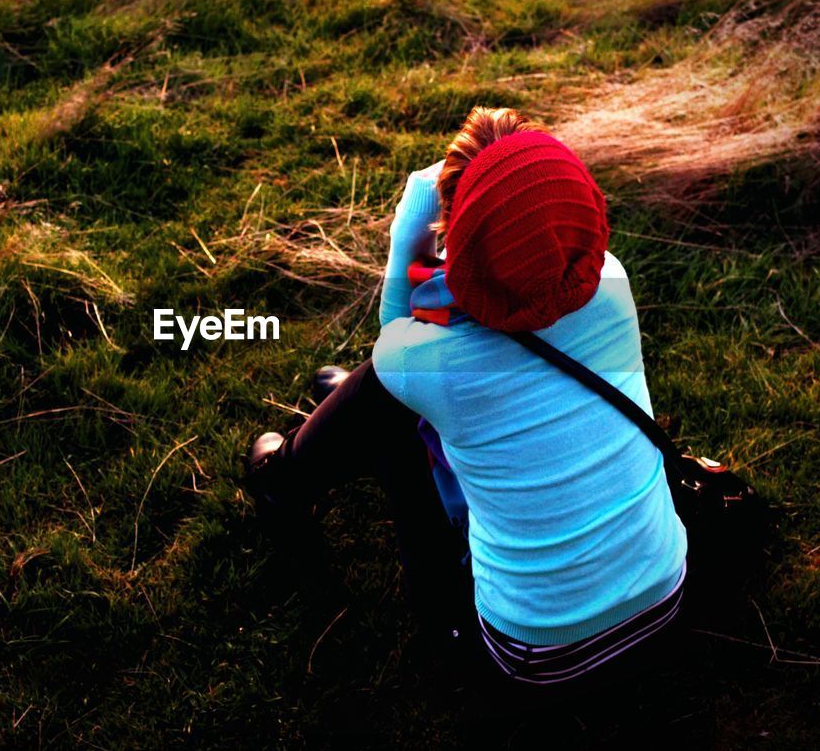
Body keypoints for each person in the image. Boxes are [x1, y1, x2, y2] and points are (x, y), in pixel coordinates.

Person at [243, 107, 689, 702]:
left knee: (391, 421)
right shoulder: (611, 283)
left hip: (534, 658)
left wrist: (413, 225)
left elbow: (397, 343)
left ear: (462, 241)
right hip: (666, 599)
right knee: (413, 386)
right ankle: (311, 453)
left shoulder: (429, 360)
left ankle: (284, 480)